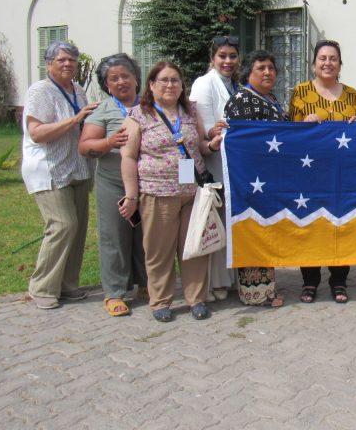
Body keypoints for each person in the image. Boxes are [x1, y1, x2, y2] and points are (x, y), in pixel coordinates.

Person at [119, 62, 221, 322]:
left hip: (192, 193)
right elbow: (128, 157)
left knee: (194, 248)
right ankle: (161, 301)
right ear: (151, 85)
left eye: (175, 80)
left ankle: (196, 299)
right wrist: (131, 196)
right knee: (159, 251)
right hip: (157, 193)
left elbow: (199, 145)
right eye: (163, 80)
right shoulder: (138, 115)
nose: (170, 85)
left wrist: (211, 145)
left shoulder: (190, 111)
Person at [21, 41, 99, 310]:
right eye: (61, 60)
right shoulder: (40, 91)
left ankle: (67, 285)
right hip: (49, 169)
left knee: (77, 229)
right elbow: (37, 133)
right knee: (63, 225)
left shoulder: (78, 90)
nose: (68, 64)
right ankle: (42, 287)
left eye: (72, 60)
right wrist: (75, 119)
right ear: (48, 64)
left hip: (77, 167)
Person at [289, 39, 356, 304]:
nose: (327, 63)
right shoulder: (300, 92)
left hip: (344, 173)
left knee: (342, 225)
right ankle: (310, 280)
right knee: (310, 224)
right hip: (310, 172)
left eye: (333, 59)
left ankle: (339, 280)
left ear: (340, 65)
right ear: (314, 64)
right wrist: (303, 124)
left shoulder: (353, 94)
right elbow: (290, 132)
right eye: (322, 58)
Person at [79, 54, 147, 317]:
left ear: (136, 78)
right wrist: (109, 143)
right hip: (113, 183)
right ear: (106, 84)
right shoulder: (103, 109)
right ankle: (115, 292)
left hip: (148, 183)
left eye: (125, 76)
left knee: (146, 235)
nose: (121, 82)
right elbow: (85, 146)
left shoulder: (149, 105)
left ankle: (146, 285)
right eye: (114, 78)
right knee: (115, 236)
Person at [223, 50, 287, 308]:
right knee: (254, 230)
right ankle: (256, 294)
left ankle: (267, 287)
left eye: (271, 67)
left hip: (271, 177)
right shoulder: (241, 100)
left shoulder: (271, 98)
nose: (267, 72)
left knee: (267, 230)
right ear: (248, 72)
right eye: (261, 68)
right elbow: (243, 144)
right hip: (251, 179)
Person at [189, 35, 241, 302]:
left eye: (232, 56)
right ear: (212, 58)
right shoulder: (204, 83)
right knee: (214, 222)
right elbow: (201, 125)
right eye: (222, 56)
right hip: (213, 161)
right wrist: (214, 132)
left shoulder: (235, 85)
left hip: (232, 164)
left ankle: (228, 278)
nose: (228, 61)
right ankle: (212, 282)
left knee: (228, 222)